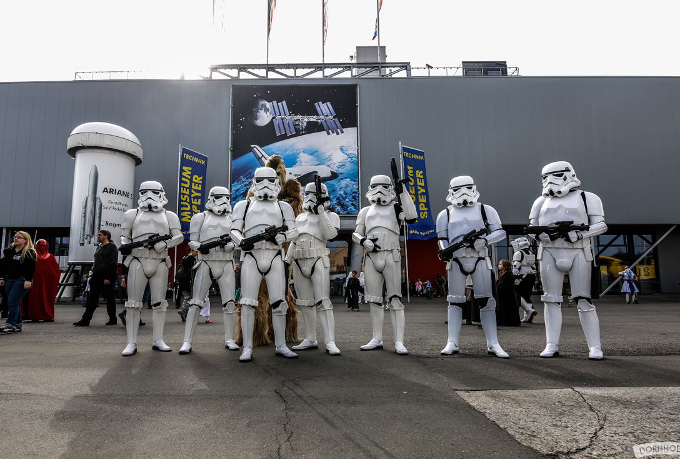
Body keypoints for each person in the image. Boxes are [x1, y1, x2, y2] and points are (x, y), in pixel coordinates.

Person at [529, 161, 607, 360]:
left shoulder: (587, 198)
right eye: (545, 177)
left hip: (579, 250)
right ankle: (551, 344)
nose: (549, 181)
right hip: (549, 251)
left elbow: (601, 225)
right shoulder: (540, 201)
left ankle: (595, 346)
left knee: (583, 298)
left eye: (555, 175)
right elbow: (532, 228)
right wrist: (542, 236)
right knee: (550, 299)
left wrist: (579, 235)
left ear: (568, 174)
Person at [231, 166, 299, 362]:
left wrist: (281, 237)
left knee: (279, 303)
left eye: (270, 180)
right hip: (251, 256)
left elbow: (294, 231)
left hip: (274, 256)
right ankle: (247, 346)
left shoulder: (283, 207)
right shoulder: (243, 206)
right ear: (254, 182)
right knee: (247, 303)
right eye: (260, 181)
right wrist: (242, 241)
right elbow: (234, 230)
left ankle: (281, 344)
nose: (266, 185)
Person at [436, 176, 509, 358]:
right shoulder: (445, 214)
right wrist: (445, 250)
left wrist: (484, 241)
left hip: (480, 258)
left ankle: (493, 342)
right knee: (454, 301)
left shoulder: (485, 210)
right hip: (456, 260)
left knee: (486, 301)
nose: (463, 192)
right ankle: (452, 341)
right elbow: (442, 239)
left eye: (467, 187)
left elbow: (500, 232)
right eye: (458, 189)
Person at [352, 172, 417, 355]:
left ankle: (399, 341)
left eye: (384, 186)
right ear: (370, 188)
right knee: (374, 300)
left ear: (390, 188)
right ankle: (376, 337)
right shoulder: (365, 211)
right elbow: (356, 233)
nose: (379, 190)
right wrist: (363, 241)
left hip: (391, 254)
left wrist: (403, 191)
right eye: (375, 186)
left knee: (395, 299)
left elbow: (412, 217)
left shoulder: (396, 207)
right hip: (371, 256)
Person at [120, 181, 183, 356]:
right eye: (145, 192)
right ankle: (131, 342)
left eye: (154, 192)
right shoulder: (132, 214)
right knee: (133, 304)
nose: (149, 196)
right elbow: (124, 237)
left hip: (160, 261)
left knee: (159, 303)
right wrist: (129, 246)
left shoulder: (169, 215)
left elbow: (179, 237)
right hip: (137, 260)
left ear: (161, 194)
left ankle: (158, 339)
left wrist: (165, 244)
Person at [180, 186, 237, 355]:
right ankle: (187, 341)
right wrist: (200, 247)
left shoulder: (233, 218)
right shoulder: (200, 217)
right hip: (205, 262)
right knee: (195, 303)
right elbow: (192, 241)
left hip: (226, 262)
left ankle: (229, 339)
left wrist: (231, 245)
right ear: (211, 198)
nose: (223, 201)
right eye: (219, 197)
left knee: (230, 303)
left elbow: (239, 240)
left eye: (226, 197)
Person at [288, 181, 341, 356]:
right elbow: (294, 240)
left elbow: (331, 235)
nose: (310, 198)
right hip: (299, 261)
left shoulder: (331, 216)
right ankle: (310, 338)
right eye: (308, 194)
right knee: (305, 303)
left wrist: (321, 212)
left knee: (323, 302)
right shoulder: (300, 218)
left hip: (318, 259)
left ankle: (330, 341)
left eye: (314, 194)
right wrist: (287, 260)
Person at [74, 230, 119, 326]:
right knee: (92, 298)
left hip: (107, 276)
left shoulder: (112, 247)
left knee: (110, 298)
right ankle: (85, 320)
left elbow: (113, 263)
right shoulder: (99, 247)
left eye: (100, 235)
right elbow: (96, 262)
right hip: (97, 276)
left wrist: (108, 278)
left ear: (106, 236)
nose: (98, 236)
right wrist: (91, 273)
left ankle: (113, 319)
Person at [0, 231, 37, 333]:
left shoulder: (29, 252)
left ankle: (10, 324)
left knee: (12, 301)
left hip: (21, 279)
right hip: (9, 279)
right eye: (15, 237)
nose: (16, 239)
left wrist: (28, 280)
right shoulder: (9, 251)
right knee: (14, 301)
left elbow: (31, 268)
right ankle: (18, 324)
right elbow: (4, 265)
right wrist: (2, 277)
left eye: (19, 237)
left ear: (25, 240)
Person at [22, 239, 60, 321]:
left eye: (44, 246)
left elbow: (56, 271)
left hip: (47, 283)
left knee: (45, 298)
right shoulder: (33, 256)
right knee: (34, 299)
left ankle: (46, 315)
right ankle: (35, 315)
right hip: (35, 282)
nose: (42, 247)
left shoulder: (50, 257)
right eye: (41, 246)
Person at [511, 237, 537, 322]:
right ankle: (527, 315)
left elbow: (516, 266)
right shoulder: (529, 252)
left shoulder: (518, 253)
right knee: (527, 296)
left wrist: (514, 276)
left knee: (518, 294)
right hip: (531, 276)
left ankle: (529, 310)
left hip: (522, 277)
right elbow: (533, 266)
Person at [496, 260, 521, 326]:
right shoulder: (501, 274)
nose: (499, 265)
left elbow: (502, 285)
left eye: (500, 264)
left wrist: (497, 287)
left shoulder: (508, 275)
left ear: (505, 266)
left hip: (508, 295)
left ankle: (507, 321)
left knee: (507, 308)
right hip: (504, 294)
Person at [176, 248, 197, 322]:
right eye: (196, 251)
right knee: (188, 297)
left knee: (186, 296)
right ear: (192, 251)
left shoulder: (184, 257)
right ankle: (183, 310)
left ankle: (185, 313)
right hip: (187, 280)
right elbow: (193, 270)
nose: (197, 253)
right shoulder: (192, 259)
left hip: (181, 279)